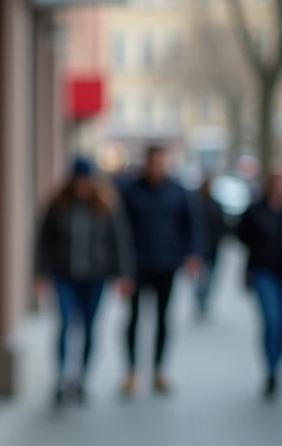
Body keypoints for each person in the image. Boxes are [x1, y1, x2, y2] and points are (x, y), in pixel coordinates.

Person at [35, 156, 133, 406]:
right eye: (79, 180)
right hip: (64, 276)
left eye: (87, 180)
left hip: (95, 277)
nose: (83, 185)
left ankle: (81, 380)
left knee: (89, 329)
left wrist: (123, 275)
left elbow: (119, 242)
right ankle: (60, 379)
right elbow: (43, 242)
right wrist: (41, 274)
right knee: (66, 325)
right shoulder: (57, 204)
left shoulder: (105, 205)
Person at [117, 145, 204, 397]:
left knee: (163, 319)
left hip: (167, 265)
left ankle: (158, 370)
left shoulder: (178, 192)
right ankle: (132, 371)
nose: (156, 168)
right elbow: (120, 232)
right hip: (137, 266)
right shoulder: (131, 192)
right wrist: (121, 270)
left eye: (160, 164)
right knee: (133, 319)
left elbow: (191, 225)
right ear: (146, 164)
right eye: (152, 163)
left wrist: (193, 254)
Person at [236, 172, 282, 399]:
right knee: (272, 320)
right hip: (263, 271)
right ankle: (271, 369)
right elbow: (241, 235)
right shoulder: (256, 209)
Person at [193, 175, 230, 320]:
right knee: (202, 276)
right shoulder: (196, 204)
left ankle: (204, 298)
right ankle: (200, 298)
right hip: (201, 248)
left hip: (213, 247)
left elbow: (222, 225)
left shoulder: (216, 205)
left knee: (211, 276)